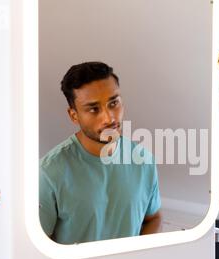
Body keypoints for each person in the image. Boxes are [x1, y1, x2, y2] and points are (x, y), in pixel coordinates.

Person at [39, 62, 162, 244]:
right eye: (94, 109)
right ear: (74, 115)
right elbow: (40, 246)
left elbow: (154, 219)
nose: (109, 118)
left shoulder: (145, 161)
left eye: (113, 103)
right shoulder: (49, 172)